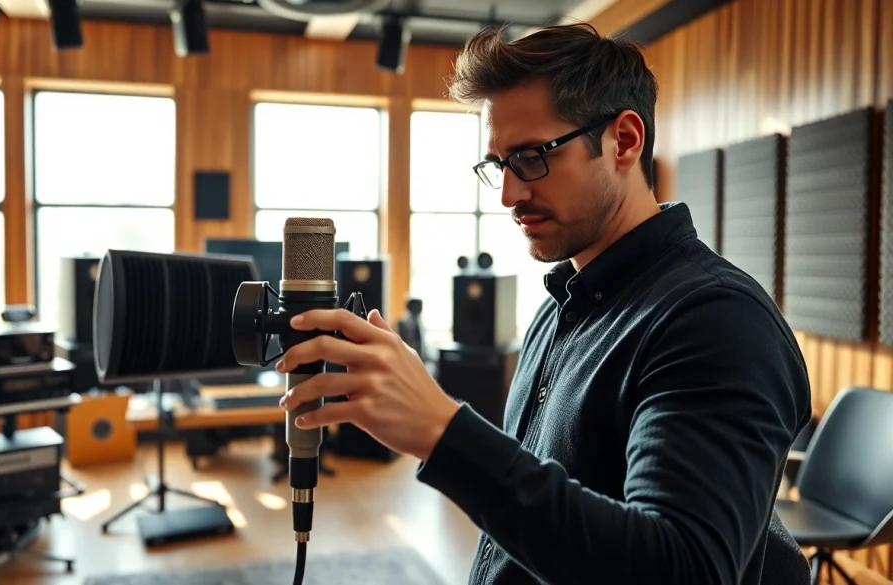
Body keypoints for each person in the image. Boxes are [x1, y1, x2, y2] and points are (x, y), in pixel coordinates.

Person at [276, 22, 812, 585]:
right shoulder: (563, 304)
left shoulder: (715, 321)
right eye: (499, 164)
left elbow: (681, 569)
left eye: (532, 157)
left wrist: (442, 431)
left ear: (624, 141)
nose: (509, 194)